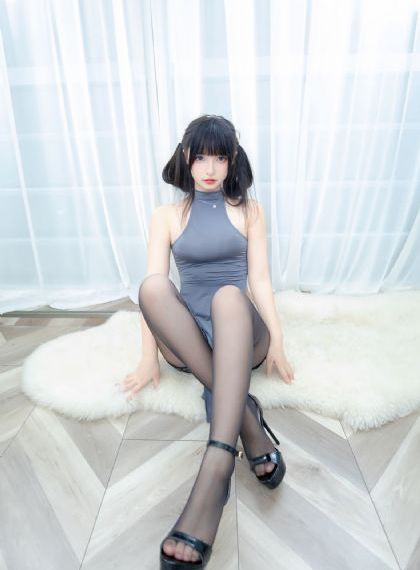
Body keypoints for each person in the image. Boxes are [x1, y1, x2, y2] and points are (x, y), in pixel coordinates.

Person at [120, 115, 294, 568]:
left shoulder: (250, 210)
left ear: (232, 159)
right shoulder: (166, 216)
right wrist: (148, 357)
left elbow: (260, 280)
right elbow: (155, 289)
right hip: (191, 338)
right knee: (151, 287)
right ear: (186, 159)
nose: (210, 168)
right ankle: (249, 421)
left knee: (228, 296)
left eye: (219, 157)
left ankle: (217, 469)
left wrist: (276, 339)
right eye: (200, 157)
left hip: (240, 331)